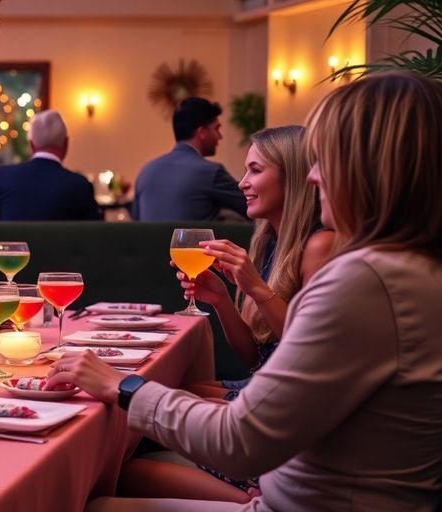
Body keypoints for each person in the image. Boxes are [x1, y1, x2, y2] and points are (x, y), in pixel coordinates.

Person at [48, 72, 442, 512]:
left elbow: (239, 439)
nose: (313, 177)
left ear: (372, 168)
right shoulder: (413, 268)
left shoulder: (366, 281)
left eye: (325, 158)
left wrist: (124, 385)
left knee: (94, 500)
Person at [118, 126, 335, 503]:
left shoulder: (319, 245)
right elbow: (255, 356)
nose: (242, 182)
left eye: (255, 170)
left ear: (294, 176)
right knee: (161, 401)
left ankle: (251, 498)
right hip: (262, 391)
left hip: (281, 415)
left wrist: (254, 286)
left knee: (131, 460)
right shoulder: (270, 239)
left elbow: (306, 348)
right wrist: (220, 299)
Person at [132, 97, 247, 221]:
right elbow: (253, 208)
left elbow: (136, 221)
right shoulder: (211, 172)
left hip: (151, 241)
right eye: (217, 128)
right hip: (189, 241)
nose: (220, 136)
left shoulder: (146, 171)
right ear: (202, 132)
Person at [0, 110, 100, 221]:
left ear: (31, 145)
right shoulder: (79, 185)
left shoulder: (5, 175)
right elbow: (94, 235)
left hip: (15, 246)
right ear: (66, 144)